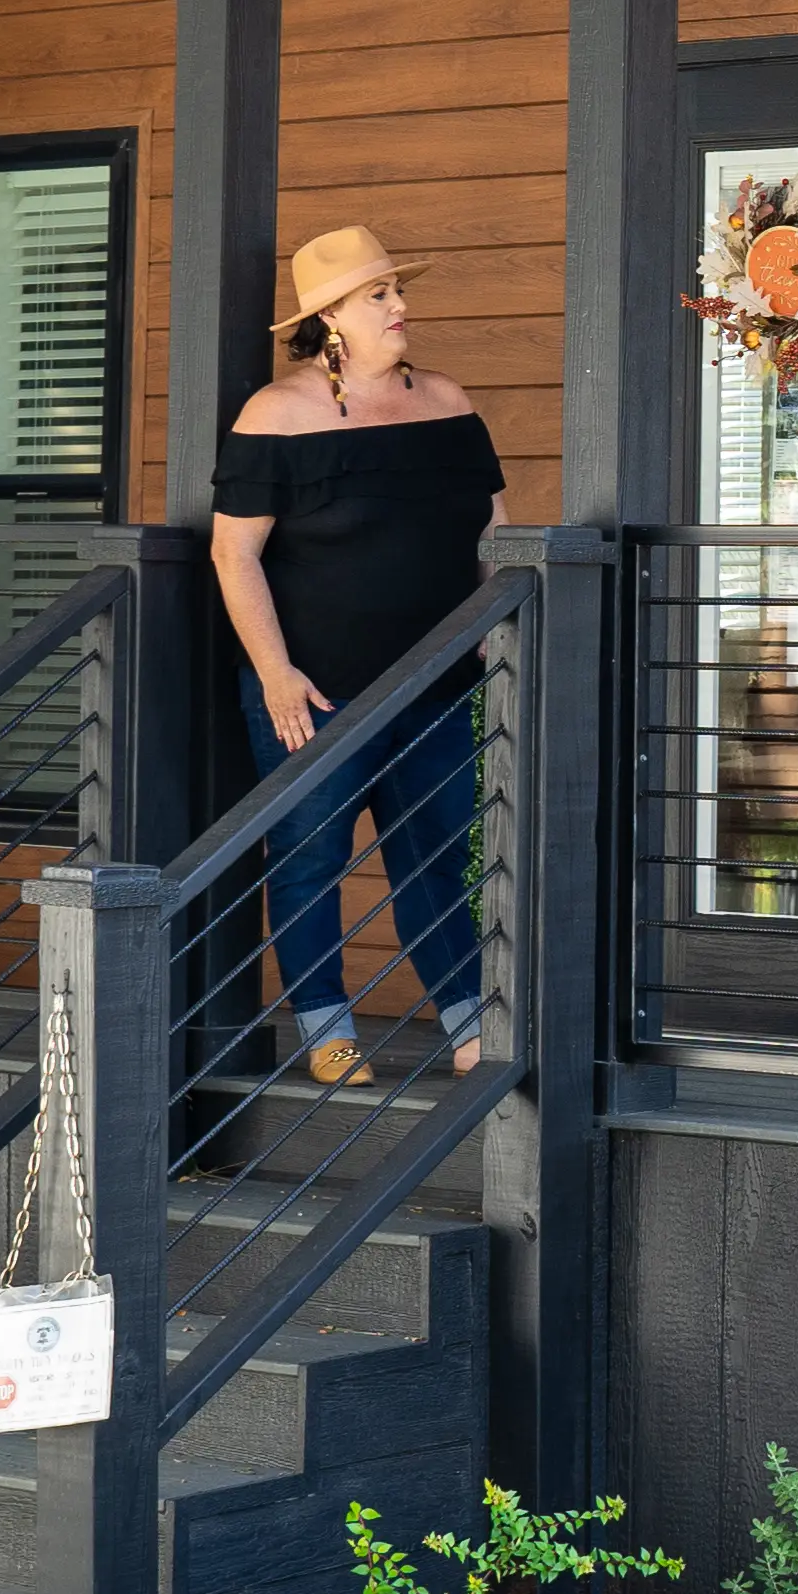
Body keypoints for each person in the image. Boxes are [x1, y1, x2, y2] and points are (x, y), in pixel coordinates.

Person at [208, 225, 506, 1083]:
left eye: (396, 291)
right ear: (330, 317)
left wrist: (494, 625)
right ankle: (324, 1021)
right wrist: (274, 672)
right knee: (310, 854)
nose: (400, 306)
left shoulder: (448, 402)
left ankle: (467, 1015)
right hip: (316, 692)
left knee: (446, 852)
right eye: (379, 295)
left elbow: (492, 531)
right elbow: (236, 555)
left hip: (443, 684)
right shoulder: (276, 415)